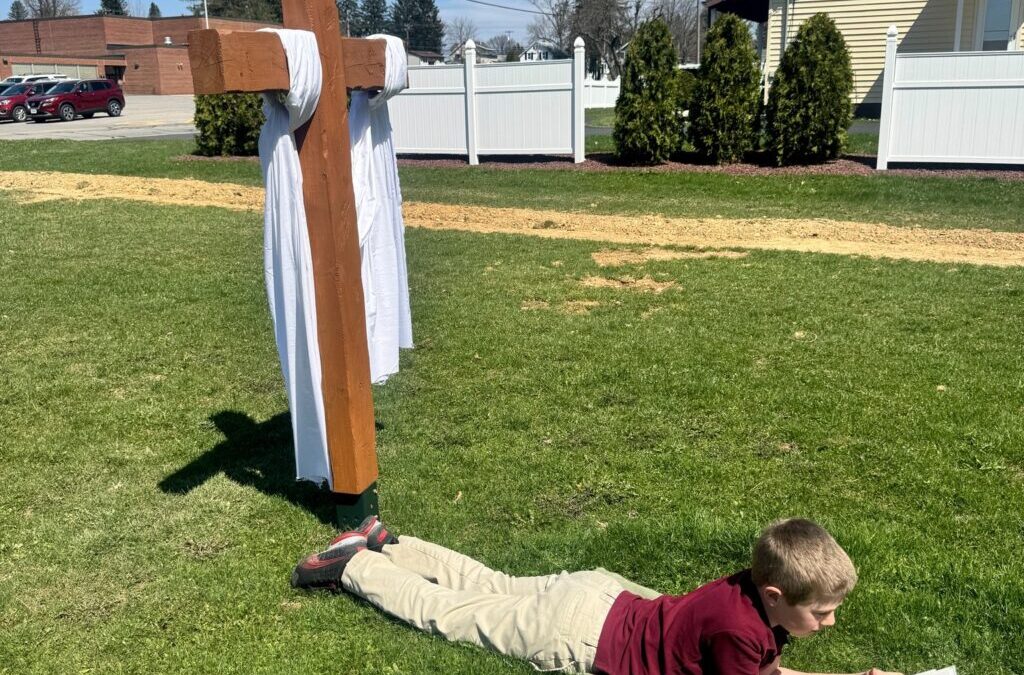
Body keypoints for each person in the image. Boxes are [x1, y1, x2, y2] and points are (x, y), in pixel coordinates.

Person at [291, 517, 903, 675]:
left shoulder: (745, 597)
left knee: (492, 585)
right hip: (578, 638)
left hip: (601, 596)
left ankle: (393, 544)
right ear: (775, 595)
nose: (828, 622)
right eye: (820, 611)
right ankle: (356, 565)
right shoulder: (743, 635)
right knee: (454, 614)